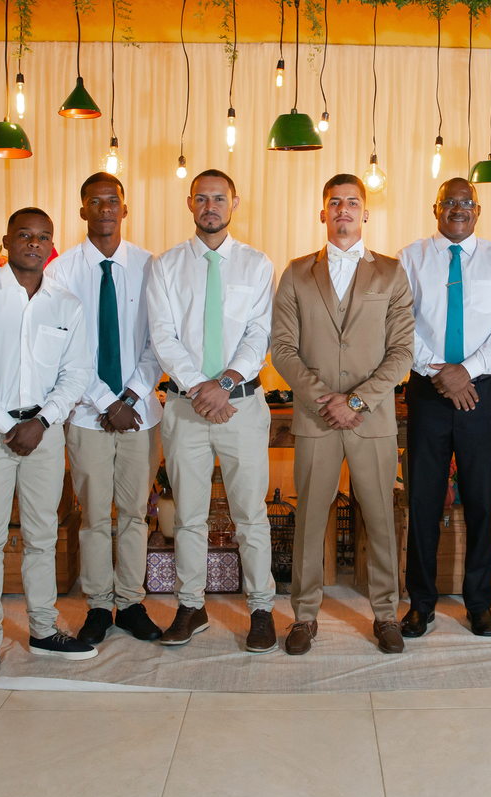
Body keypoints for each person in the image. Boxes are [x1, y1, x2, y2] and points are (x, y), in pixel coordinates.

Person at [0, 207, 96, 687]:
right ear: (6, 238)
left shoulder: (66, 304)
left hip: (45, 433)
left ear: (52, 244)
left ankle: (44, 631)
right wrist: (5, 422)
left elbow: (76, 374)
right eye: (24, 235)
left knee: (42, 536)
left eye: (43, 237)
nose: (34, 242)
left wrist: (43, 421)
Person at [271, 173, 414, 656]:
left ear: (366, 213)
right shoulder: (296, 272)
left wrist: (355, 400)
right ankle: (303, 616)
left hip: (371, 420)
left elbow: (402, 353)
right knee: (311, 518)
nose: (344, 210)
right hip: (316, 419)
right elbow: (283, 350)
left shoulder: (391, 273)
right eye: (335, 202)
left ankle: (386, 613)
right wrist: (324, 399)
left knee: (379, 519)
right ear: (322, 212)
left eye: (353, 202)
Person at [146, 170, 279, 652]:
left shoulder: (258, 265)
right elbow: (163, 336)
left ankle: (261, 608)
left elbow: (258, 336)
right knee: (188, 517)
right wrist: (200, 388)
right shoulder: (165, 265)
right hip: (185, 408)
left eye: (219, 198)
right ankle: (191, 606)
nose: (210, 206)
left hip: (241, 404)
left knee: (251, 514)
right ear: (189, 203)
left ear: (234, 203)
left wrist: (222, 386)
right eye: (201, 198)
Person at [396, 177, 491, 638]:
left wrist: (466, 371)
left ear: (478, 209)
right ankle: (421, 604)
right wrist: (439, 372)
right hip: (428, 390)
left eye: (466, 202)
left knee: (481, 501)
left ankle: (479, 603)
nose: (458, 208)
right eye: (449, 202)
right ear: (436, 208)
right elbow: (400, 322)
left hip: (482, 390)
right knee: (424, 500)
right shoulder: (410, 258)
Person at [45, 173, 164, 646]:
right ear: (82, 211)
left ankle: (131, 603)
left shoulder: (150, 266)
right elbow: (64, 350)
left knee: (135, 513)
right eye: (94, 202)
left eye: (112, 200)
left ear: (124, 208)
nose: (104, 208)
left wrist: (129, 396)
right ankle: (98, 606)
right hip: (85, 413)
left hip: (140, 414)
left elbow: (160, 341)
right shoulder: (61, 271)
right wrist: (105, 401)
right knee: (94, 514)